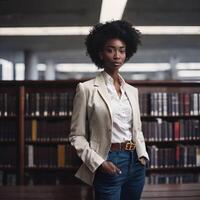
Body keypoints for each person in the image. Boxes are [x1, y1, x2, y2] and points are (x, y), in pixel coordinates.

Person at [69, 20, 149, 200]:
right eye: (110, 49)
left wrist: (142, 157)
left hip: (135, 161)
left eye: (121, 50)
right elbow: (77, 136)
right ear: (100, 53)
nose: (117, 55)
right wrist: (99, 163)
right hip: (109, 160)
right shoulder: (87, 89)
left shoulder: (132, 91)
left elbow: (136, 130)